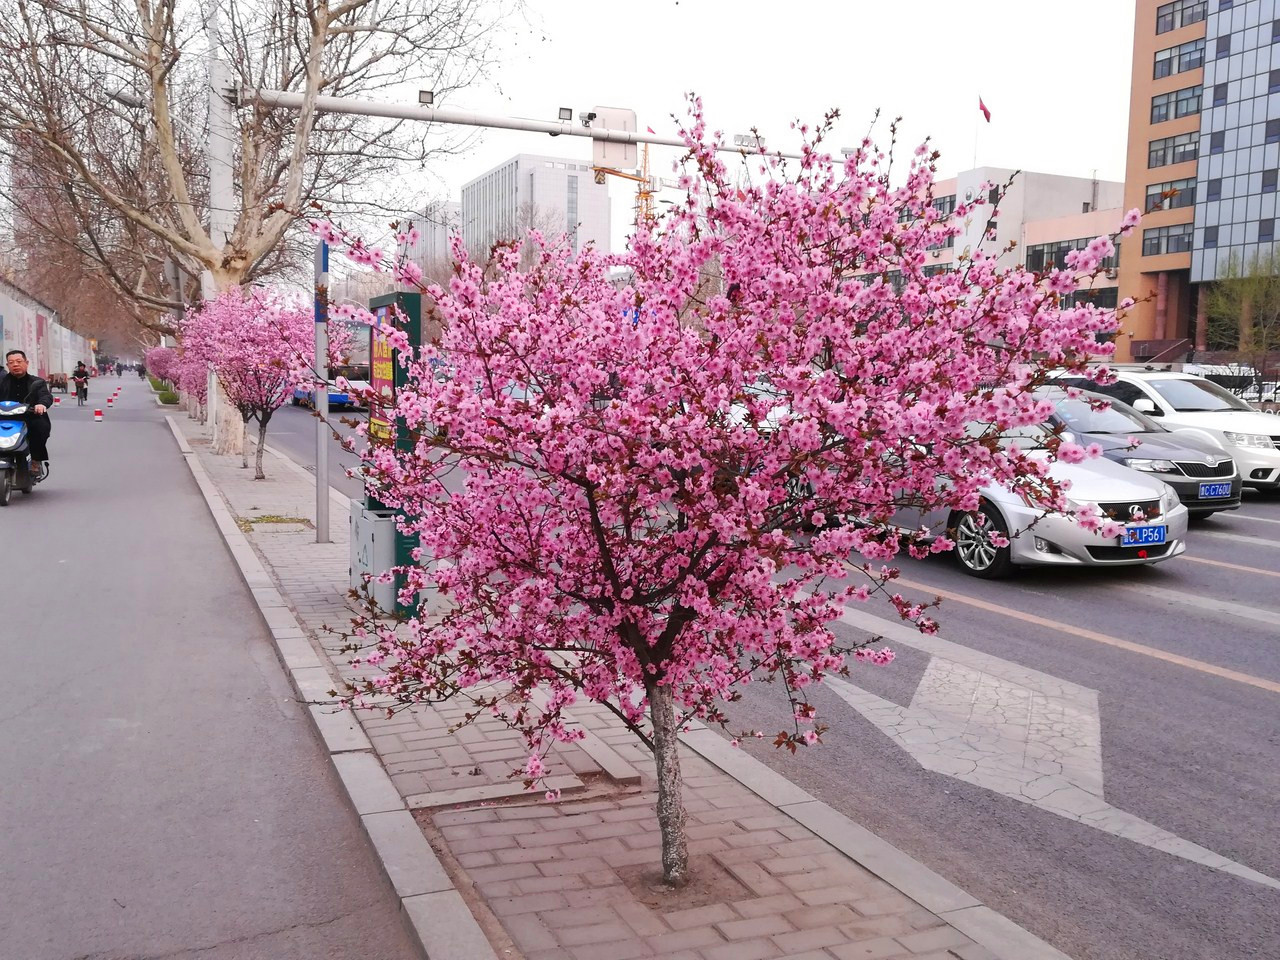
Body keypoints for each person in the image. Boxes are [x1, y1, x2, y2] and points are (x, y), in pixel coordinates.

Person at [0, 349, 53, 479]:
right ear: (7, 366)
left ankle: (35, 460)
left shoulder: (37, 382)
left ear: (26, 363)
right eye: (11, 362)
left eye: (19, 361)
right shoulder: (1, 382)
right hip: (3, 417)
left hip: (29, 417)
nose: (15, 365)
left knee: (40, 428)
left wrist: (41, 405)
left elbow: (45, 396)